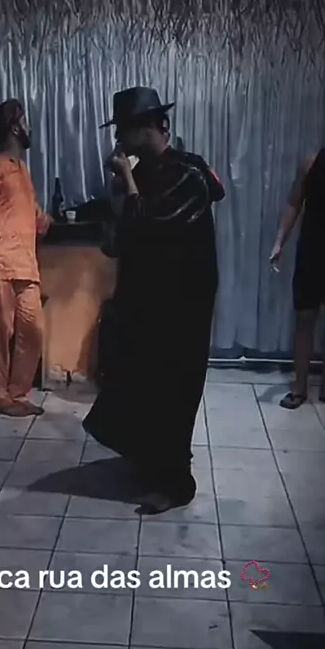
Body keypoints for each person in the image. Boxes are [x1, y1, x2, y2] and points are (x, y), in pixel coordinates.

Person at [84, 87, 225, 513]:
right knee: (140, 382)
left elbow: (158, 225)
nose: (119, 139)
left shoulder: (188, 173)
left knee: (174, 387)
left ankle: (176, 483)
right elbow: (118, 241)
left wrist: (128, 184)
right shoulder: (139, 175)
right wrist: (120, 189)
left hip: (181, 303)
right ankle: (152, 462)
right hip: (143, 299)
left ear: (150, 127)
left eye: (124, 129)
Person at [0, 99, 52, 417]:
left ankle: (17, 393)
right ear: (15, 127)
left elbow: (26, 210)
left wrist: (44, 220)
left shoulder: (23, 169)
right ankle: (1, 398)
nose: (29, 128)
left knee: (33, 330)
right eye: (25, 122)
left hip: (25, 263)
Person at [270, 103, 325, 410]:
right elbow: (293, 203)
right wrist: (279, 243)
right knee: (305, 319)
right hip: (312, 252)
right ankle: (299, 388)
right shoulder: (312, 163)